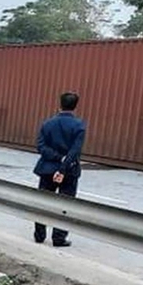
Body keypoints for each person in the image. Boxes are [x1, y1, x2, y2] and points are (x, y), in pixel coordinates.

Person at [33, 92, 86, 248]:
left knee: (43, 201)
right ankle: (59, 237)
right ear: (75, 106)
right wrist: (63, 168)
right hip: (69, 171)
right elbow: (75, 151)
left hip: (47, 168)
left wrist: (56, 158)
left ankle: (39, 234)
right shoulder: (79, 126)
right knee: (65, 205)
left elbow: (41, 146)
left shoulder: (48, 124)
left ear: (60, 104)